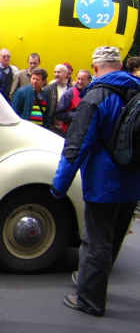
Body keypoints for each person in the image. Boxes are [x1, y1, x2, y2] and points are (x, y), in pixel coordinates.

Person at [52, 46, 140, 317]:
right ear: (120, 65)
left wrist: (59, 185)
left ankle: (89, 299)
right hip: (132, 180)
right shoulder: (136, 90)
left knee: (96, 241)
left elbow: (76, 146)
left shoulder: (96, 96)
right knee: (113, 240)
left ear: (95, 67)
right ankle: (94, 281)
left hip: (104, 181)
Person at [54, 69, 92, 134]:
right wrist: (77, 115)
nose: (79, 81)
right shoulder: (69, 93)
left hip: (86, 132)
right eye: (78, 79)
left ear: (89, 81)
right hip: (69, 132)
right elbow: (59, 114)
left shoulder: (92, 93)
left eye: (82, 79)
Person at [44, 64, 73, 135]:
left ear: (66, 74)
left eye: (59, 72)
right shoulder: (48, 89)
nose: (56, 74)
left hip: (67, 127)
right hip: (51, 127)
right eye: (55, 72)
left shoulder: (72, 90)